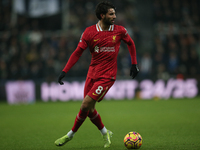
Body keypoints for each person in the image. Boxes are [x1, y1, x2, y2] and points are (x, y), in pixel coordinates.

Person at [54, 1, 139, 148]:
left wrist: (134, 63)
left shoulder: (119, 31)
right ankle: (105, 133)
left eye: (114, 13)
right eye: (111, 14)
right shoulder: (89, 32)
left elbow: (131, 43)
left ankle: (70, 135)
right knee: (89, 109)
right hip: (92, 74)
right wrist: (64, 70)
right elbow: (77, 52)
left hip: (107, 76)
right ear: (102, 15)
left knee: (85, 104)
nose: (115, 16)